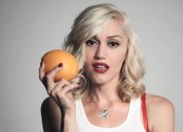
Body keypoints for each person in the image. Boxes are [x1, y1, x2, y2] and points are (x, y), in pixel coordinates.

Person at [39, 3, 175, 132]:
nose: (100, 54)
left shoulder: (158, 109)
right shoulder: (55, 107)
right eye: (91, 42)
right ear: (78, 49)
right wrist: (68, 114)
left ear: (127, 52)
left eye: (113, 44)